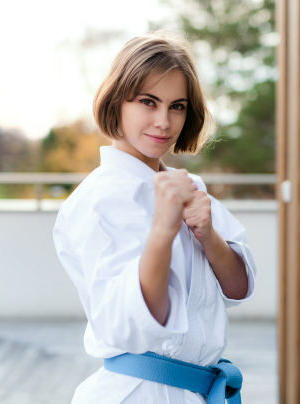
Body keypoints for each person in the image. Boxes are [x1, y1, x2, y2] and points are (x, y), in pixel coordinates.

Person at [53, 30, 257, 404]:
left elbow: (239, 287)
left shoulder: (188, 186)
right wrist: (163, 230)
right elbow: (137, 319)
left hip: (199, 390)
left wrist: (208, 235)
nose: (163, 121)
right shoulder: (97, 200)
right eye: (148, 102)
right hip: (140, 393)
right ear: (117, 102)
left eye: (177, 106)